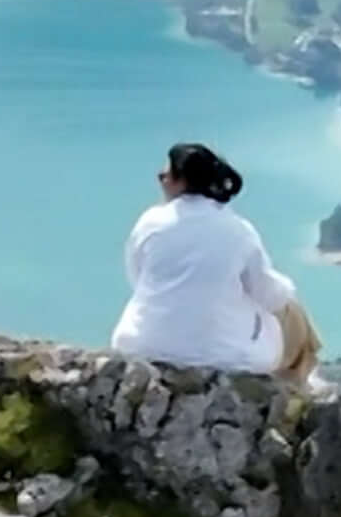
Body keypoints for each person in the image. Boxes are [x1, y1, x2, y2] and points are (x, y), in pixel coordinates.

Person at [112, 142, 305, 376]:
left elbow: (137, 277)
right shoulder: (238, 230)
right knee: (288, 310)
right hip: (221, 356)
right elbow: (267, 292)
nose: (160, 180)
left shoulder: (149, 222)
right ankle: (298, 385)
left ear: (181, 181)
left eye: (165, 175)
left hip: (142, 344)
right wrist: (287, 291)